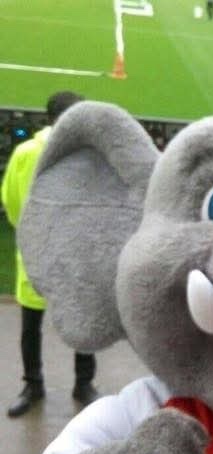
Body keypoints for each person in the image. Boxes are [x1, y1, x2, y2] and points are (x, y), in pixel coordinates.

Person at [1, 91, 99, 417]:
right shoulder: (31, 153)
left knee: (59, 323)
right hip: (53, 252)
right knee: (46, 322)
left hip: (60, 252)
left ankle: (51, 384)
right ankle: (66, 384)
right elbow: (13, 199)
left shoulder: (85, 156)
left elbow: (10, 203)